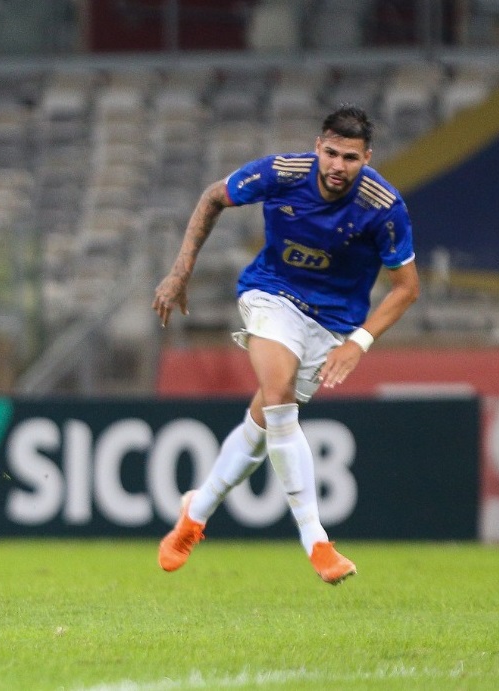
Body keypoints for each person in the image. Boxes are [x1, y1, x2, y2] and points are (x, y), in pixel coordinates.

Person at [153, 105, 419, 585]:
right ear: (318, 147)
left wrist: (358, 342)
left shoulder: (383, 206)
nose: (338, 166)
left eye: (351, 158)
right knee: (278, 397)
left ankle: (196, 512)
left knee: (263, 421)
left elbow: (407, 287)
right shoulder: (281, 173)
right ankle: (316, 540)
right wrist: (180, 272)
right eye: (331, 153)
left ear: (367, 158)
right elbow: (213, 197)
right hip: (271, 294)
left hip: (335, 322)